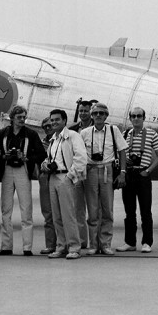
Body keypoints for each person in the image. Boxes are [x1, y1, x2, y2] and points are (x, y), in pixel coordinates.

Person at [0, 105, 46, 256]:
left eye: (24, 117)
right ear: (12, 118)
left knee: (26, 208)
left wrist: (26, 158)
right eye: (19, 117)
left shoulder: (31, 134)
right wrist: (4, 156)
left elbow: (41, 154)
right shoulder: (3, 133)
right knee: (6, 209)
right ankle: (6, 246)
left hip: (23, 170)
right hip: (7, 171)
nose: (22, 120)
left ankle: (27, 247)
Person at [80, 102, 127, 255]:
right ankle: (93, 244)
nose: (98, 116)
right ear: (91, 116)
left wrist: (122, 172)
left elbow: (122, 151)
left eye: (101, 113)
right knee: (92, 210)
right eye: (95, 113)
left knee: (107, 209)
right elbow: (79, 153)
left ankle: (105, 244)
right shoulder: (85, 133)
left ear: (106, 115)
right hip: (91, 170)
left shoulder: (114, 131)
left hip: (107, 169)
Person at [40, 109, 87, 260]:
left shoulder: (73, 136)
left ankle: (74, 247)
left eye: (57, 120)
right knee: (57, 216)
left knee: (69, 215)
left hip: (65, 177)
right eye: (52, 120)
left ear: (65, 121)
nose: (53, 122)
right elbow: (50, 158)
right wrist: (45, 164)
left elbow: (81, 158)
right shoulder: (53, 139)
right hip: (53, 178)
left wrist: (70, 176)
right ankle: (61, 246)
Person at [116, 107, 158, 253]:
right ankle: (130, 242)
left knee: (145, 211)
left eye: (139, 116)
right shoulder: (125, 134)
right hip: (129, 174)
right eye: (133, 116)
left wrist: (148, 170)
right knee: (129, 211)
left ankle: (147, 242)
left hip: (143, 174)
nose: (136, 118)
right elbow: (120, 152)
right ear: (130, 118)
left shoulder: (151, 134)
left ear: (143, 118)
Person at [69, 98, 94, 249]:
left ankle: (95, 241)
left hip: (92, 171)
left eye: (86, 111)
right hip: (78, 172)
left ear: (91, 111)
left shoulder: (99, 127)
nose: (83, 114)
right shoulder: (73, 130)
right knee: (78, 208)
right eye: (81, 111)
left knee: (94, 208)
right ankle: (82, 240)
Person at [37, 117, 57, 254]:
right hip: (44, 177)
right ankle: (50, 244)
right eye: (45, 127)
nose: (48, 128)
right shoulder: (40, 143)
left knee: (62, 212)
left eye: (50, 125)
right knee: (47, 212)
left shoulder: (62, 139)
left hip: (59, 176)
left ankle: (65, 243)